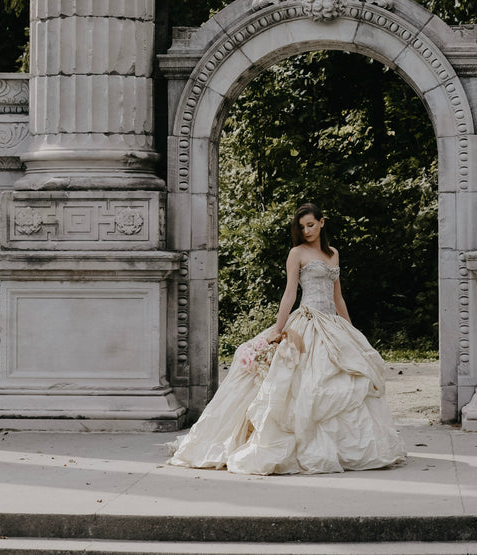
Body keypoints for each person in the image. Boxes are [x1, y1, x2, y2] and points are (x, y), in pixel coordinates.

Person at [168, 203, 406, 475]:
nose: (306, 230)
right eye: (302, 226)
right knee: (298, 383)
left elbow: (338, 296)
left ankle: (346, 448)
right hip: (306, 320)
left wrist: (351, 333)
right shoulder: (297, 253)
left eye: (311, 225)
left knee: (349, 378)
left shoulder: (333, 254)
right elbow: (289, 293)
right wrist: (276, 330)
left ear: (322, 223)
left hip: (332, 324)